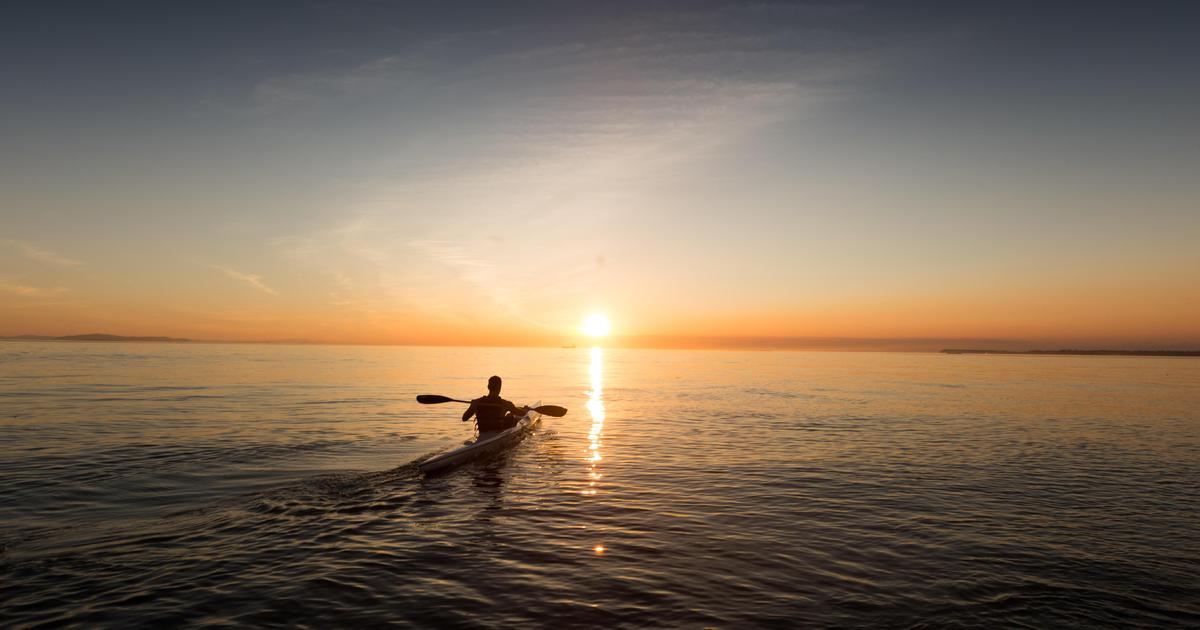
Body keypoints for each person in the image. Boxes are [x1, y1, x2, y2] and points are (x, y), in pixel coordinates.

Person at [462, 375, 530, 432]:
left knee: (510, 415)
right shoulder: (506, 404)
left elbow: (464, 418)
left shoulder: (477, 402)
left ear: (488, 387)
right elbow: (523, 414)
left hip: (483, 433)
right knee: (512, 416)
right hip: (498, 433)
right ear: (500, 388)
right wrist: (526, 409)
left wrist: (472, 406)